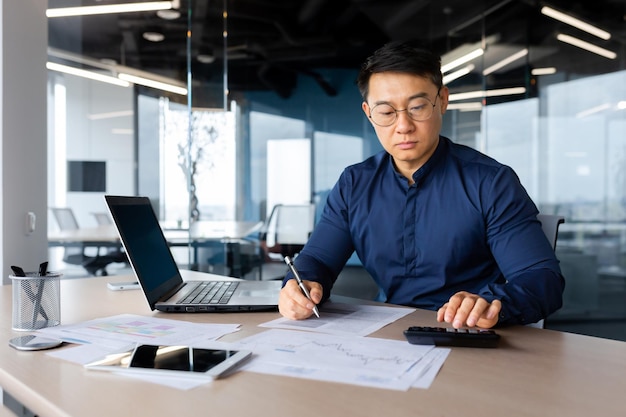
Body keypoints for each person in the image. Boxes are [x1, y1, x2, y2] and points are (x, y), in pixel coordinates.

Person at [278, 42, 564, 328]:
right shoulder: (354, 184)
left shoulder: (490, 182)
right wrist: (297, 285)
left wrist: (491, 303)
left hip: (469, 335)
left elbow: (541, 278)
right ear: (368, 113)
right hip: (389, 334)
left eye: (417, 107)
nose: (403, 125)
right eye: (387, 112)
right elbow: (317, 259)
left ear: (442, 100)